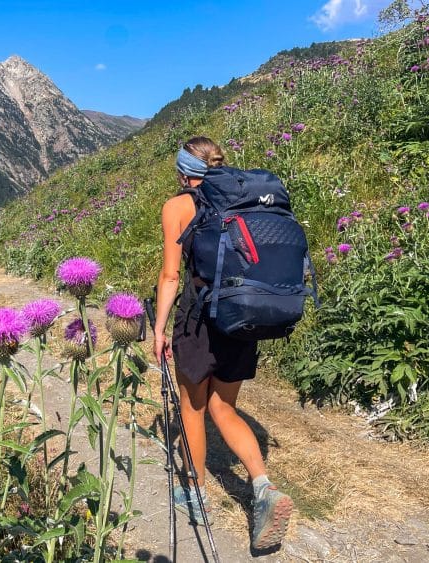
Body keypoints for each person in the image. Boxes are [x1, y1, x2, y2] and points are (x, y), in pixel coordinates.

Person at [153, 136, 293, 550]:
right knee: (224, 407)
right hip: (242, 317)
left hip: (199, 320)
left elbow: (171, 276)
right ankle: (263, 487)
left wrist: (160, 329)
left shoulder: (177, 207)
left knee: (193, 407)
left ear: (182, 171)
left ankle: (194, 494)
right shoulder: (243, 202)